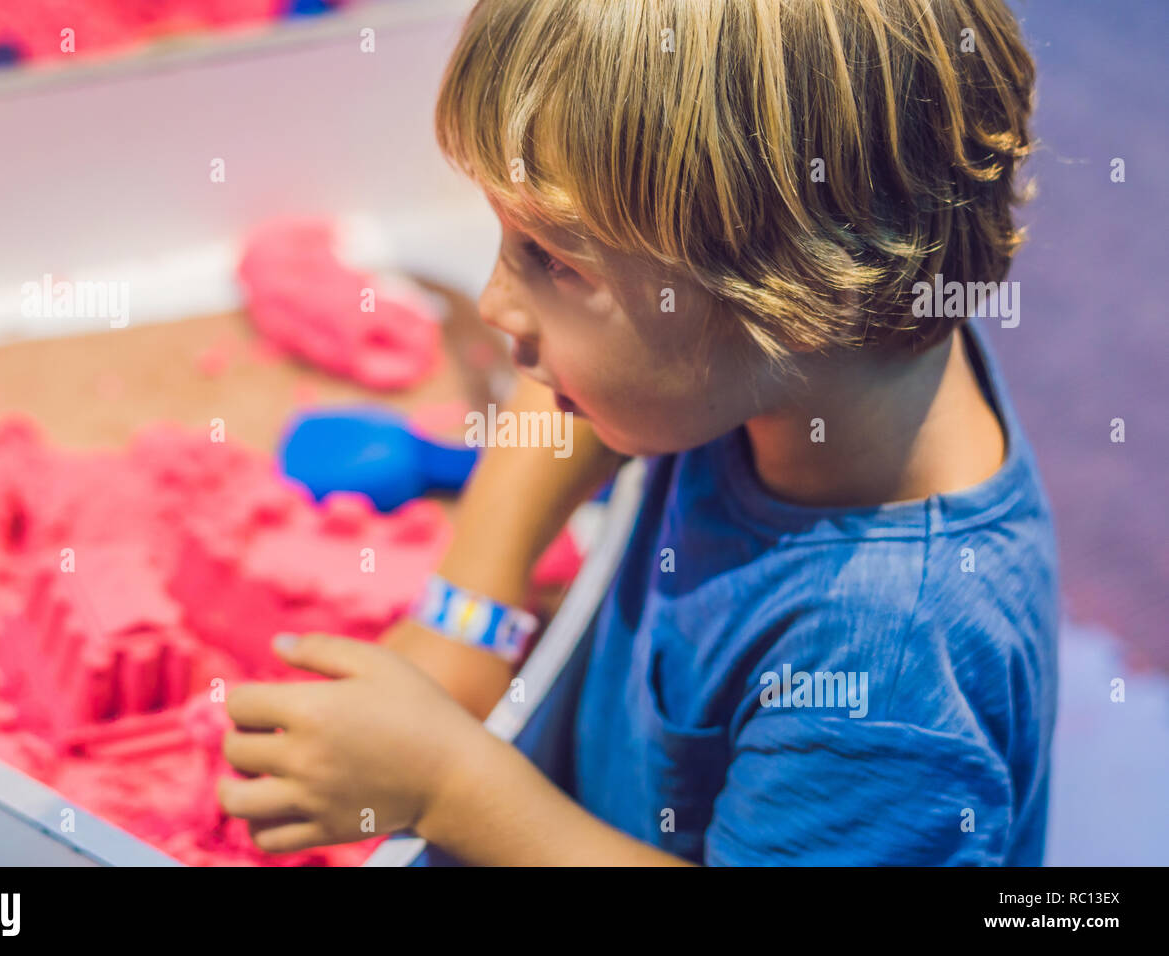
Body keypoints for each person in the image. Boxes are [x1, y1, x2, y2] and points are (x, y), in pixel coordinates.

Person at [218, 0, 1057, 866]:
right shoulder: (824, 343)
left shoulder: (891, 680)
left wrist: (452, 790)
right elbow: (590, 381)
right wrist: (467, 611)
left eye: (554, 260)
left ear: (801, 293)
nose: (497, 303)